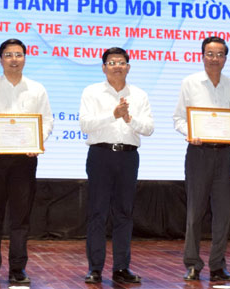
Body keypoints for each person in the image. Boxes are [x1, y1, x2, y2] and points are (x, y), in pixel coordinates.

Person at [0, 38, 53, 285]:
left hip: (24, 162)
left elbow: (46, 121)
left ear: (25, 58)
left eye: (18, 55)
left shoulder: (37, 89)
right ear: (0, 59)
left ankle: (18, 269)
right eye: (8, 55)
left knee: (21, 218)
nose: (13, 59)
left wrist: (38, 141)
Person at [79, 47, 154, 284]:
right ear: (103, 67)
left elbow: (149, 128)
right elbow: (85, 124)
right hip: (101, 155)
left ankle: (122, 267)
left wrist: (128, 118)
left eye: (121, 62)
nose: (117, 66)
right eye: (111, 62)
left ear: (128, 67)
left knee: (124, 213)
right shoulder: (91, 92)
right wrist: (113, 114)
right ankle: (95, 268)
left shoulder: (139, 95)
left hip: (128, 157)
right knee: (97, 213)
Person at [173, 36, 230, 282]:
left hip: (224, 154)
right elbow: (178, 119)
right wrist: (190, 133)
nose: (215, 58)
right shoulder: (190, 83)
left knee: (223, 213)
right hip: (198, 154)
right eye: (210, 54)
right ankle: (192, 263)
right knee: (195, 212)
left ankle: (217, 265)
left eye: (220, 54)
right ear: (202, 56)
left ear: (225, 58)